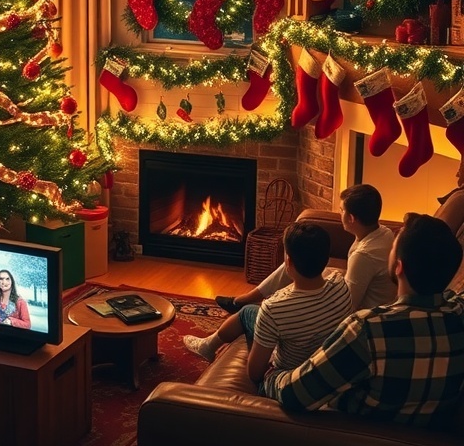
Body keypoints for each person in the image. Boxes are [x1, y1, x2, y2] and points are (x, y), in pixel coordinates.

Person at [266, 213, 464, 428]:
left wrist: (272, 376)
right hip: (433, 441)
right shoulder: (458, 312)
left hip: (353, 443)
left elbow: (294, 395)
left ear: (399, 267)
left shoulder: (368, 330)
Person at [183, 221, 352, 386]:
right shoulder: (340, 284)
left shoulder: (274, 308)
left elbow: (254, 374)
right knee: (248, 311)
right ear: (326, 258)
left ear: (288, 262)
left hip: (286, 376)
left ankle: (207, 346)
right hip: (323, 365)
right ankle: (207, 346)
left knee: (248, 314)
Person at [215, 183, 395, 314]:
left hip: (363, 315)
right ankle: (246, 299)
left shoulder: (364, 255)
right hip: (360, 293)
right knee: (296, 262)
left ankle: (273, 308)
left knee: (304, 269)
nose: (339, 214)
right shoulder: (383, 232)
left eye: (341, 210)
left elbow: (348, 304)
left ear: (352, 218)